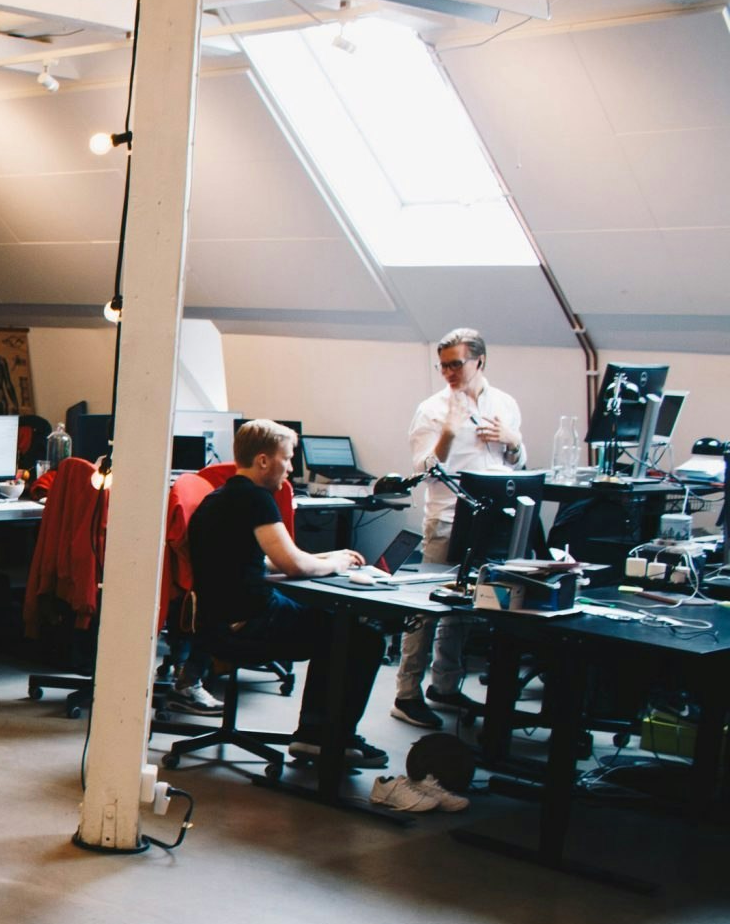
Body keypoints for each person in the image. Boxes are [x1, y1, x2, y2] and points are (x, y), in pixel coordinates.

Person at [186, 420, 389, 768]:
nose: (291, 468)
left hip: (218, 624)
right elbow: (292, 565)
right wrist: (338, 562)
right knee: (361, 637)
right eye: (288, 458)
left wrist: (320, 559)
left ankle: (316, 733)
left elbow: (260, 560)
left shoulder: (219, 497)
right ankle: (328, 739)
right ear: (264, 461)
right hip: (251, 624)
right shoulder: (256, 498)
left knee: (333, 627)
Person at [391, 327, 526, 730]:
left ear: (479, 361)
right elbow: (423, 471)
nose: (448, 372)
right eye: (443, 365)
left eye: (456, 364)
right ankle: (406, 693)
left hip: (492, 518)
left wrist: (513, 439)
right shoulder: (432, 409)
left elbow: (515, 463)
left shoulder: (505, 403)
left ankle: (444, 686)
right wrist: (448, 434)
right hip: (448, 517)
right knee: (427, 608)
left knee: (465, 610)